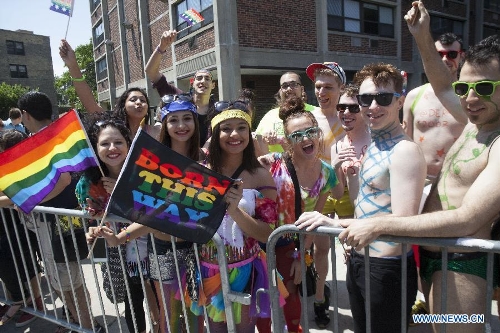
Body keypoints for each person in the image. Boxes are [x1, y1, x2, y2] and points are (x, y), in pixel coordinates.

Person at [300, 4, 500, 333]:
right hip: (434, 255)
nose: (469, 98)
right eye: (465, 88)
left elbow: (469, 218)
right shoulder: (474, 123)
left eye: (485, 88)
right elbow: (443, 86)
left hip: (463, 261)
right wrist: (422, 36)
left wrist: (374, 227)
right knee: (434, 326)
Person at [297, 62, 427, 333]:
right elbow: (363, 208)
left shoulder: (404, 151)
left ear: (399, 101)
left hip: (386, 268)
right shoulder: (374, 147)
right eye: (366, 99)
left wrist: (334, 224)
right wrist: (353, 175)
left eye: (384, 98)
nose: (373, 106)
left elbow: (403, 224)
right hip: (360, 261)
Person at [89, 98, 205, 333]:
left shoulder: (206, 158)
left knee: (195, 315)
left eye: (186, 118)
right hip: (161, 249)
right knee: (168, 316)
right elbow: (151, 213)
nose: (180, 125)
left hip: (198, 250)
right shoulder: (150, 161)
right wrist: (120, 237)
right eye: (173, 119)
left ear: (195, 122)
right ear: (164, 125)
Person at [0, 91, 103, 332]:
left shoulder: (48, 139)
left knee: (69, 283)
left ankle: (88, 327)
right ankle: (78, 322)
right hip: (59, 222)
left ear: (25, 114)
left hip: (60, 223)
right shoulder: (51, 136)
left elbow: (64, 180)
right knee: (66, 281)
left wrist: (32, 203)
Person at [257, 95, 343, 332]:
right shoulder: (272, 164)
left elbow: (315, 218)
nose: (305, 138)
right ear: (288, 141)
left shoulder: (326, 174)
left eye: (310, 131)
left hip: (290, 246)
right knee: (263, 299)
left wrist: (301, 255)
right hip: (261, 245)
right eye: (297, 135)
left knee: (291, 297)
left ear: (318, 133)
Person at [199, 102, 281, 333]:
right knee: (215, 329)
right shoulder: (200, 171)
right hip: (208, 267)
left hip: (246, 269)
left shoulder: (260, 174)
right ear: (215, 134)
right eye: (226, 128)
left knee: (244, 330)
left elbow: (268, 232)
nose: (234, 134)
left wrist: (235, 211)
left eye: (241, 127)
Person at [77, 114, 160, 333]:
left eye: (118, 142)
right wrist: (95, 230)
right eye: (105, 143)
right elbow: (95, 215)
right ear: (96, 148)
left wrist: (122, 193)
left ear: (128, 144)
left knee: (160, 302)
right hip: (121, 255)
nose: (112, 148)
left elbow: (156, 209)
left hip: (155, 249)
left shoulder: (146, 171)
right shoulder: (90, 180)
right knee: (132, 303)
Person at [304, 61, 347, 327]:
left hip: (347, 195)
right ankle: (320, 300)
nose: (321, 92)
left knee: (355, 251)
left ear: (341, 88)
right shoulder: (309, 119)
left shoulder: (352, 115)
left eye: (328, 86)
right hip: (317, 195)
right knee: (320, 250)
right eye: (318, 86)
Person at [59, 40, 160, 140]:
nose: (139, 103)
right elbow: (90, 104)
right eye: (133, 100)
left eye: (143, 100)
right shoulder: (113, 127)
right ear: (123, 106)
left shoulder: (157, 132)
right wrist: (73, 66)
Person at [0, 130, 43, 327]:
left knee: (29, 265)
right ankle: (14, 301)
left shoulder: (24, 166)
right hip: (8, 225)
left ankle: (36, 303)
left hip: (22, 225)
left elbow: (23, 194)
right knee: (16, 266)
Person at [144, 30, 215, 145]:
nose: (203, 81)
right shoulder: (179, 99)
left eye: (207, 79)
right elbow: (151, 72)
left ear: (213, 85)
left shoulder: (219, 110)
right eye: (199, 78)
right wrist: (162, 46)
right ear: (192, 83)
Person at [331, 84, 371, 215]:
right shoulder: (337, 148)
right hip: (358, 219)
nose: (346, 113)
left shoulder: (378, 141)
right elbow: (337, 195)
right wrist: (334, 169)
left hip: (383, 219)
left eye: (354, 108)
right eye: (341, 107)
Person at [254, 72, 317, 154]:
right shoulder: (269, 116)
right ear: (280, 91)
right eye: (285, 86)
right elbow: (257, 143)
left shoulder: (316, 112)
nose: (289, 89)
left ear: (302, 89)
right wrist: (264, 139)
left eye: (294, 84)